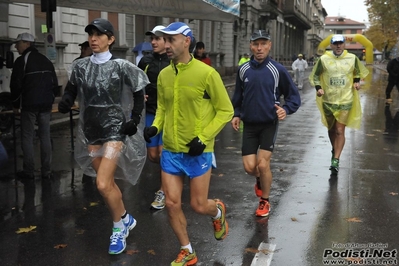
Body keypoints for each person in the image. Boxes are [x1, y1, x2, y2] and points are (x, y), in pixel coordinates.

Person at [144, 22, 233, 265]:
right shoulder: (164, 75)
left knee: (198, 205)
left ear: (187, 41)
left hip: (198, 151)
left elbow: (225, 111)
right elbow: (163, 108)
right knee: (172, 203)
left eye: (171, 40)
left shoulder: (206, 73)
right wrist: (155, 127)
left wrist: (204, 139)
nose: (166, 44)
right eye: (165, 40)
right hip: (171, 150)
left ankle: (217, 211)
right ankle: (187, 250)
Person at [58, 18, 149, 255]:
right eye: (91, 35)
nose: (93, 39)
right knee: (106, 185)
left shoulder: (122, 66)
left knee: (101, 182)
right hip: (92, 131)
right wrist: (67, 100)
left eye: (99, 35)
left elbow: (140, 91)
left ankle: (118, 229)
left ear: (111, 39)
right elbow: (71, 88)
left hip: (114, 130)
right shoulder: (81, 66)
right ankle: (126, 217)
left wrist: (135, 119)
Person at [231, 30, 301, 217]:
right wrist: (236, 114)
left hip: (269, 123)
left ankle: (265, 201)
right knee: (249, 167)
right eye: (256, 44)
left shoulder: (277, 69)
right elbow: (238, 96)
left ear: (270, 45)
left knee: (263, 164)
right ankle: (261, 181)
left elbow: (293, 96)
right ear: (251, 46)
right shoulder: (243, 69)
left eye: (263, 44)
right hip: (249, 125)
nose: (259, 48)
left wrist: (285, 109)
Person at [309, 34, 369, 174]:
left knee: (339, 130)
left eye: (340, 43)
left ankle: (335, 159)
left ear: (344, 44)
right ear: (331, 45)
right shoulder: (323, 59)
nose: (338, 46)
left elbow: (358, 71)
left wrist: (356, 81)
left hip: (345, 100)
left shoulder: (352, 58)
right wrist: (318, 88)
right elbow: (316, 76)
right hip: (328, 100)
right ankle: (334, 148)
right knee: (331, 130)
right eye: (335, 43)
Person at [10, 32, 59, 180]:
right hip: (45, 105)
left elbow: (16, 86)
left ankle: (29, 171)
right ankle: (46, 171)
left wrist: (15, 105)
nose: (17, 46)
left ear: (27, 43)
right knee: (45, 136)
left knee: (27, 136)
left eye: (18, 43)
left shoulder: (21, 61)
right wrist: (50, 99)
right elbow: (54, 84)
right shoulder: (46, 60)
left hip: (29, 105)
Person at [137, 25, 170, 210]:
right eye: (152, 39)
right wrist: (140, 94)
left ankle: (163, 191)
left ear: (166, 40)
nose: (154, 42)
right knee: (153, 155)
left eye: (158, 38)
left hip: (168, 115)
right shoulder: (145, 61)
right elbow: (137, 84)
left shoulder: (173, 61)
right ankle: (173, 171)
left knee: (165, 154)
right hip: (150, 112)